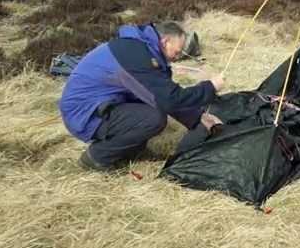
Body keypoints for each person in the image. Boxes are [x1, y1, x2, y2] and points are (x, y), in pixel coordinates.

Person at [58, 21, 225, 171]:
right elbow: (169, 100)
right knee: (153, 118)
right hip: (85, 113)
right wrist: (210, 87)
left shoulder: (144, 50)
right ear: (165, 41)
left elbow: (159, 94)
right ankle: (96, 157)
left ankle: (128, 151)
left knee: (150, 111)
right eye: (178, 50)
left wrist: (197, 117)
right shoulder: (136, 56)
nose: (179, 55)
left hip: (102, 105)